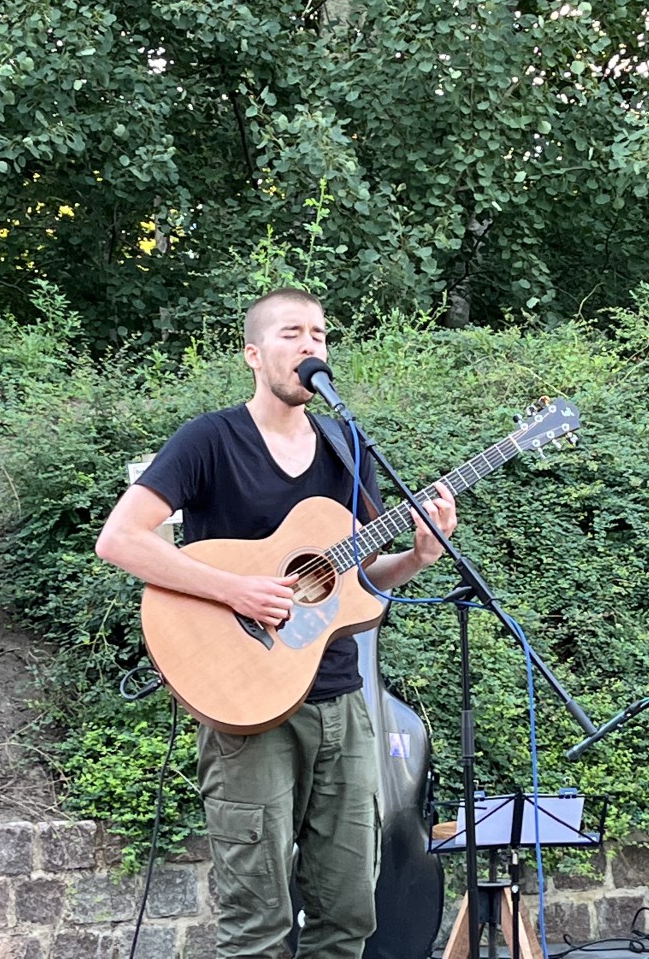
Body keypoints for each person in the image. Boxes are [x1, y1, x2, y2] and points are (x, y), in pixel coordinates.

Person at [95, 287, 457, 959]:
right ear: (254, 355)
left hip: (342, 701)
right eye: (292, 333)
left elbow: (355, 583)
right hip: (247, 703)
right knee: (256, 921)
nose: (310, 345)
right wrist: (237, 590)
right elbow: (120, 540)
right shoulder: (210, 440)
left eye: (319, 333)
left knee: (349, 912)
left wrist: (417, 557)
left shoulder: (347, 446)